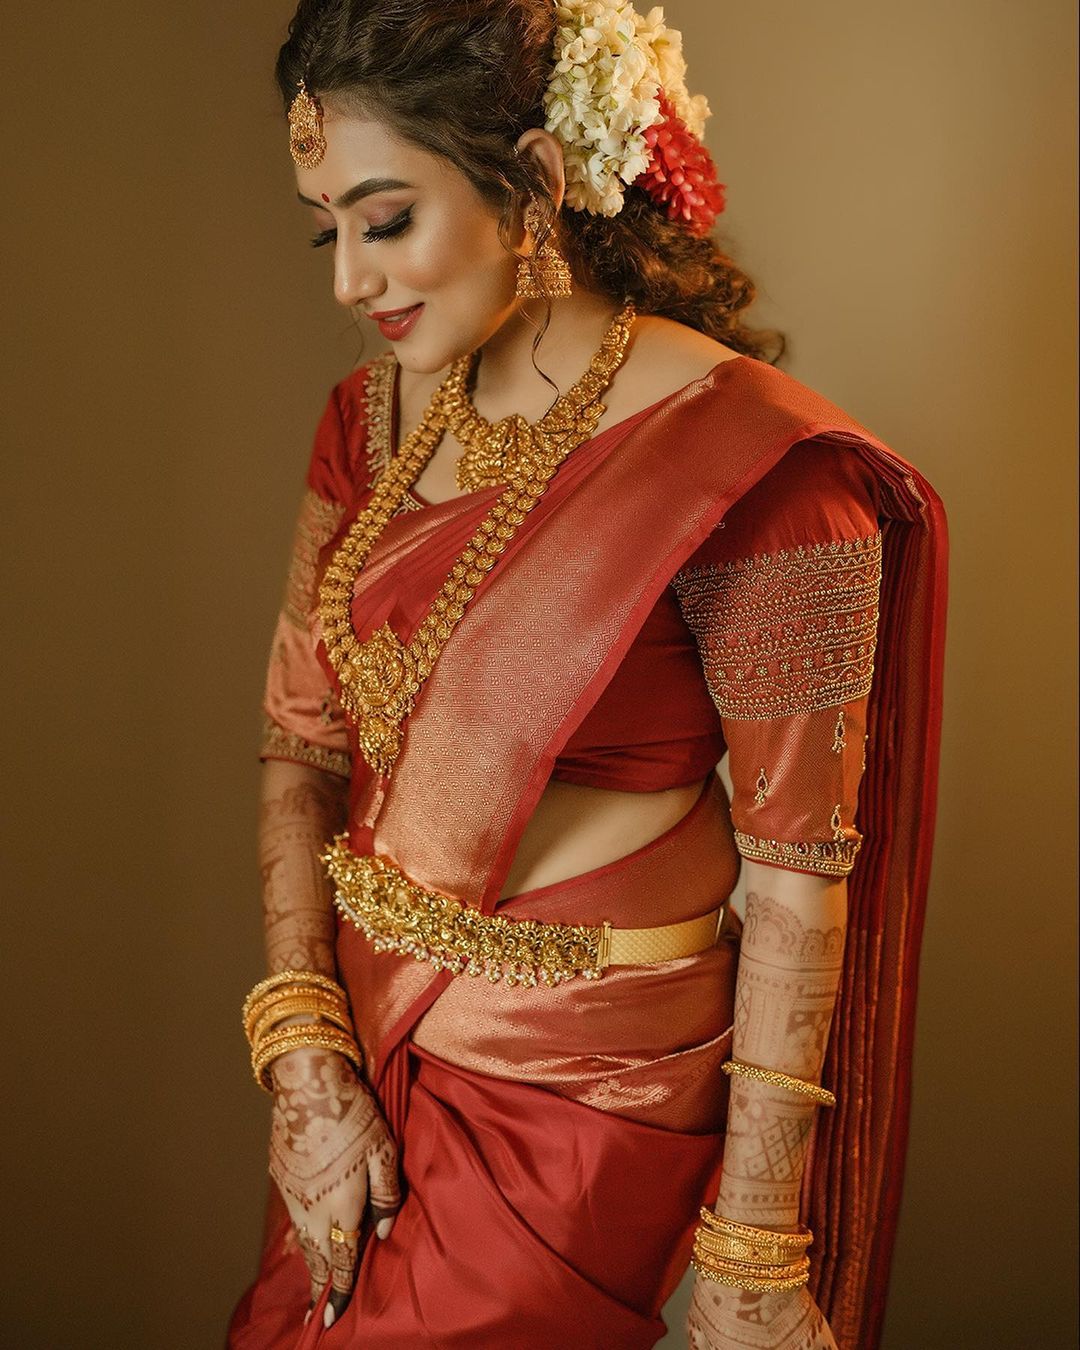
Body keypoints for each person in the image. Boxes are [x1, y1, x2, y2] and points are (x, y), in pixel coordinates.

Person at [227, 3, 948, 1347]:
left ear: (538, 185)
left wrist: (748, 1252)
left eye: (387, 222)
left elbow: (800, 876)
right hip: (365, 1064)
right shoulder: (363, 424)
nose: (350, 282)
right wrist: (307, 1058)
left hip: (585, 1103)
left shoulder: (757, 473)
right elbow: (303, 747)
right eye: (331, 231)